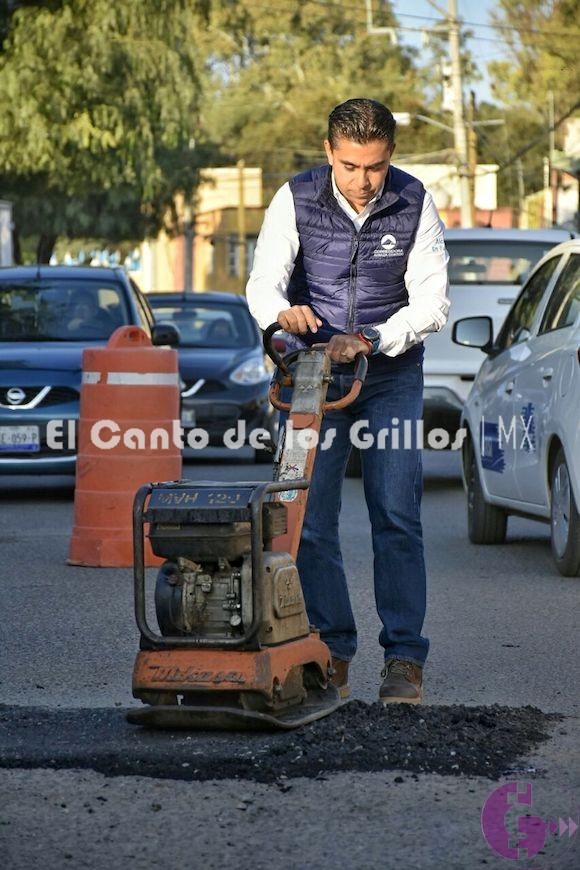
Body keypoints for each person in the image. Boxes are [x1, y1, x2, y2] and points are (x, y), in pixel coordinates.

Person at [246, 98, 449, 705]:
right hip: (312, 375)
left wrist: (371, 339)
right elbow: (262, 282)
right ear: (329, 153)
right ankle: (331, 650)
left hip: (389, 375)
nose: (364, 182)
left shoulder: (414, 201)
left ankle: (405, 659)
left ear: (391, 157)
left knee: (396, 514)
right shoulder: (295, 198)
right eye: (352, 166)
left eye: (377, 167)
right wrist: (279, 316)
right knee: (308, 520)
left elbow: (432, 304)